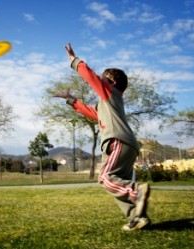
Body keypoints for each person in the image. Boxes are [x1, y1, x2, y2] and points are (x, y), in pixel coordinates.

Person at [54, 43, 151, 231]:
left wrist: (74, 61)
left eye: (105, 79)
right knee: (116, 184)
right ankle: (137, 217)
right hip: (128, 145)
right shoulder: (108, 103)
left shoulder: (110, 92)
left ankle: (136, 192)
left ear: (112, 83)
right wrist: (71, 99)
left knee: (106, 178)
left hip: (117, 142)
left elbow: (91, 78)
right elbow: (92, 112)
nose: (101, 81)